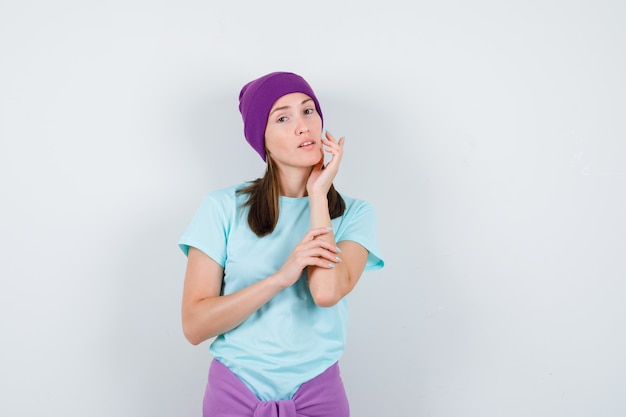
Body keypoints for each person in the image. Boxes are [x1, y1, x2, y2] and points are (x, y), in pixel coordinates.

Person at [178, 71, 384, 417]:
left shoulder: (355, 214)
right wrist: (280, 278)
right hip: (234, 391)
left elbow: (325, 293)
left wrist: (317, 196)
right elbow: (195, 326)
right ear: (263, 140)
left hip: (318, 394)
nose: (303, 126)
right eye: (283, 118)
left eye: (308, 111)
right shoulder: (222, 208)